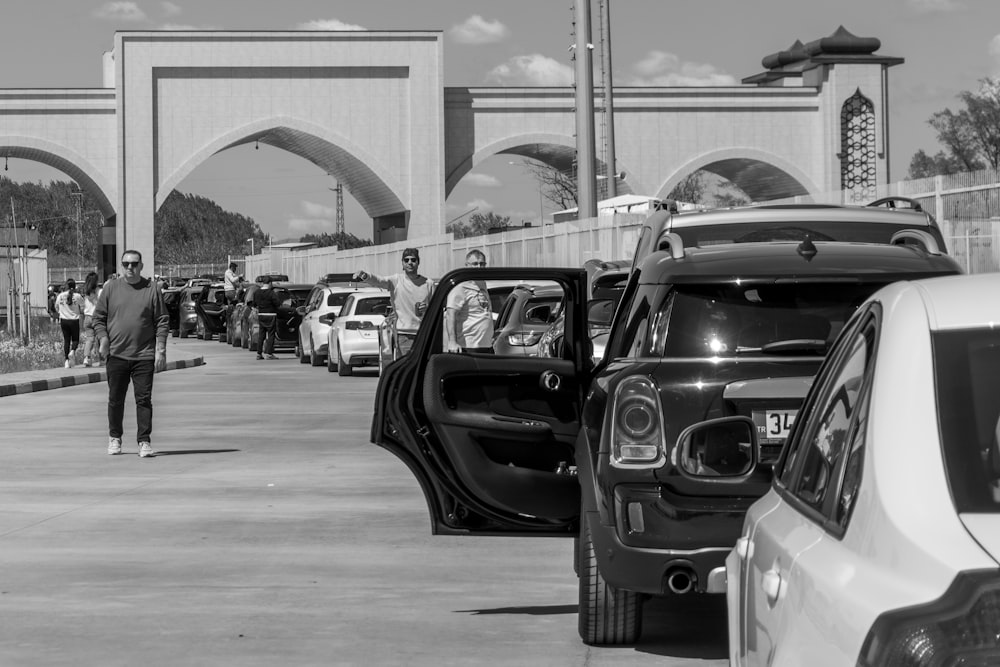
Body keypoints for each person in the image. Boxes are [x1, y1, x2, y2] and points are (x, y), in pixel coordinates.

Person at [93, 250, 169, 458]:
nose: (130, 267)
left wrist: (160, 349)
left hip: (144, 355)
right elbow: (98, 318)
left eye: (134, 264)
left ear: (141, 266)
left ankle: (144, 441)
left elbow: (162, 320)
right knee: (115, 399)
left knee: (143, 399)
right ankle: (114, 438)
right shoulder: (110, 289)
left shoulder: (152, 289)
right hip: (117, 355)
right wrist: (103, 339)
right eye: (126, 264)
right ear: (121, 265)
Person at [354, 248, 433, 355]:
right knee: (407, 367)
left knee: (423, 367)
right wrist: (365, 276)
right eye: (406, 260)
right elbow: (379, 280)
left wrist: (427, 307)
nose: (410, 263)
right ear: (402, 263)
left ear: (418, 262)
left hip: (425, 333)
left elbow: (436, 308)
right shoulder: (396, 281)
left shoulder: (428, 283)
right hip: (404, 334)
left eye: (413, 260)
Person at [445, 250, 494, 353]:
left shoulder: (482, 283)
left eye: (482, 264)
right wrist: (452, 342)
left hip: (486, 346)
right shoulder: (460, 286)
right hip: (469, 347)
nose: (479, 267)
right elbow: (450, 314)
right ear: (467, 266)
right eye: (475, 264)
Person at [55, 279, 84, 368]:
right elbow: (83, 307)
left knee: (66, 340)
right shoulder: (78, 296)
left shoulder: (60, 296)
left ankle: (66, 361)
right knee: (75, 339)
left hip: (64, 320)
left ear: (66, 286)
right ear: (74, 286)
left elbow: (56, 307)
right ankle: (73, 351)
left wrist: (61, 312)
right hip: (74, 320)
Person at [252, 275, 281, 360]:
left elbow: (254, 304)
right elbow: (277, 303)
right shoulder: (271, 293)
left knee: (261, 334)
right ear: (270, 283)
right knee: (271, 334)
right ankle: (269, 353)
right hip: (271, 315)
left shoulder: (256, 292)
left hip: (261, 315)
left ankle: (259, 353)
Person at [80, 272, 103, 367]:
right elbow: (102, 304)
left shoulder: (86, 291)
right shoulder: (99, 291)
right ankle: (102, 359)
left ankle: (86, 358)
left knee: (89, 339)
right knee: (101, 338)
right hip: (97, 317)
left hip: (87, 318)